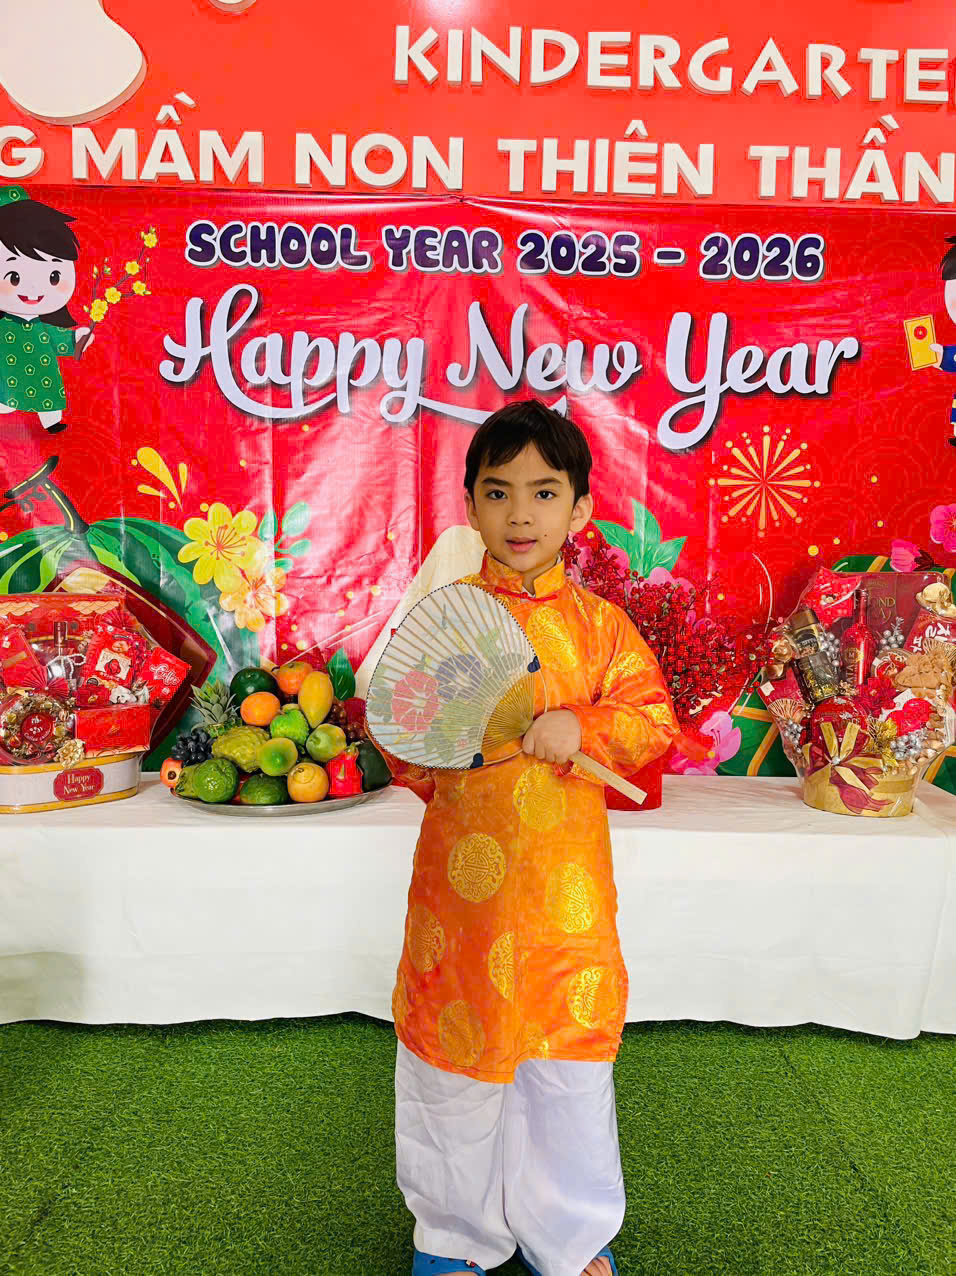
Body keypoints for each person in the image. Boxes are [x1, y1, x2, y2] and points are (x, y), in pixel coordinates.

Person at [382, 399, 679, 1276]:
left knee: (565, 1066)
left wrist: (581, 725)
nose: (520, 514)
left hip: (564, 902)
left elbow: (653, 721)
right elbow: (403, 746)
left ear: (580, 509)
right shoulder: (448, 623)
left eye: (544, 493)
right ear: (469, 505)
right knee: (454, 1067)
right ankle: (454, 1236)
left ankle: (571, 1235)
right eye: (498, 491)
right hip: (461, 900)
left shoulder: (602, 627)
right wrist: (455, 747)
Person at [0, 185, 93, 434]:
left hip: (42, 372)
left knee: (48, 393)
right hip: (6, 372)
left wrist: (76, 339)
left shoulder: (42, 326)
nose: (33, 290)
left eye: (54, 276)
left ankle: (51, 421)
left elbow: (57, 339)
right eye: (14, 277)